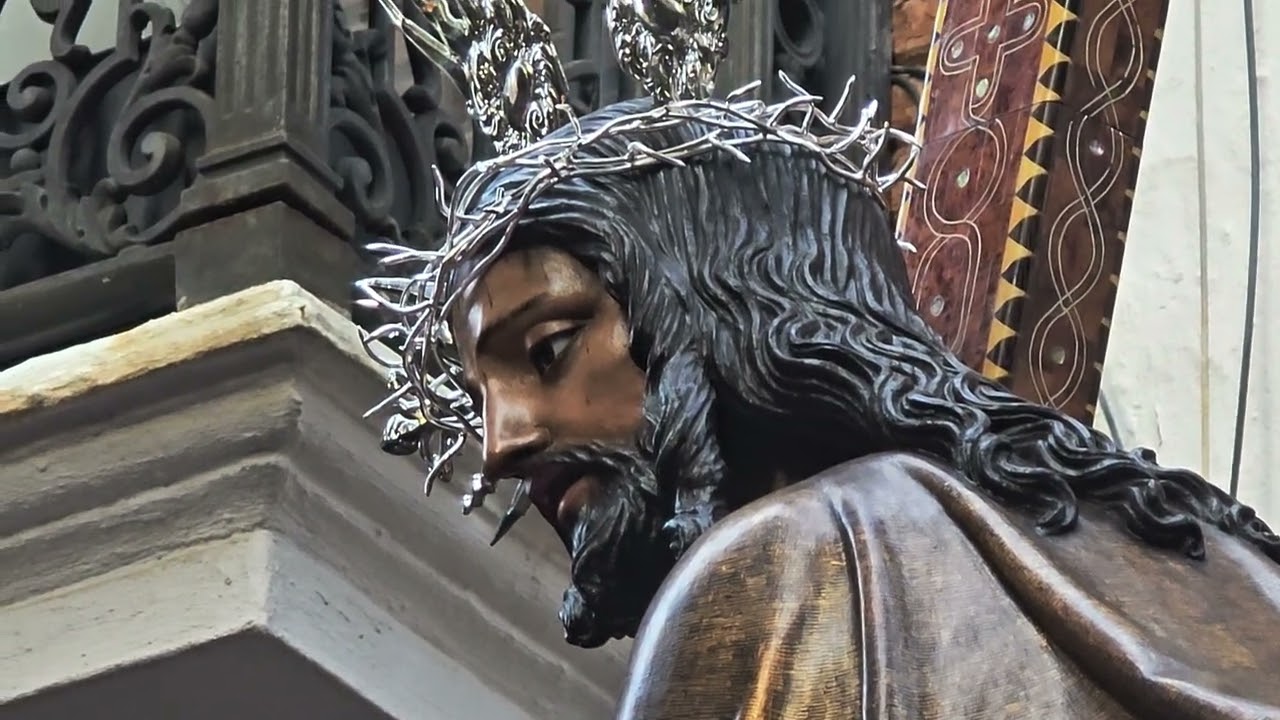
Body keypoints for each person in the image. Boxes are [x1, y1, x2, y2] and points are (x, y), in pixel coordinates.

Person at [360, 2, 1280, 717]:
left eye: (551, 350)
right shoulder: (1220, 566)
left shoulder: (779, 574)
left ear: (725, 304)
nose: (502, 444)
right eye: (483, 397)